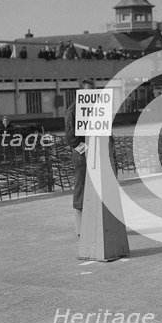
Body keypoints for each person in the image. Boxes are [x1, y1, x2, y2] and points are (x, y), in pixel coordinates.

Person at [64, 78, 95, 239]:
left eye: (93, 92)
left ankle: (95, 223)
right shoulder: (73, 110)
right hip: (81, 154)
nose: (90, 95)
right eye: (87, 92)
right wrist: (86, 150)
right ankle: (81, 228)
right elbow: (71, 138)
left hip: (95, 154)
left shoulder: (96, 109)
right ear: (81, 93)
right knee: (81, 187)